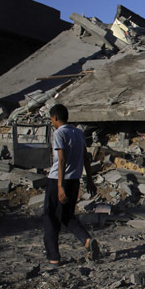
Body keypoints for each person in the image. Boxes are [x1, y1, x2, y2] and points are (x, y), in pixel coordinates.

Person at [43, 104, 99, 265]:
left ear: (55, 118)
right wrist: (89, 179)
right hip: (74, 180)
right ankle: (87, 240)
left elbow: (61, 159)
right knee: (66, 215)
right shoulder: (78, 133)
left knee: (50, 217)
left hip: (57, 180)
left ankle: (53, 257)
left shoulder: (59, 133)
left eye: (51, 119)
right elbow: (85, 157)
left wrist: (60, 185)